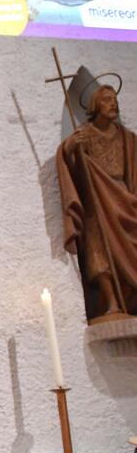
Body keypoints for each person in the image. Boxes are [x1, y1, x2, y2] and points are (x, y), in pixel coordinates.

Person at [57, 81, 137, 321]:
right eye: (107, 100)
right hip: (96, 201)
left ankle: (130, 300)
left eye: (115, 100)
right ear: (94, 105)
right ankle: (111, 301)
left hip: (123, 199)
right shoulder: (84, 135)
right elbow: (71, 168)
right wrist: (70, 148)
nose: (113, 104)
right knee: (97, 249)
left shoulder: (128, 139)